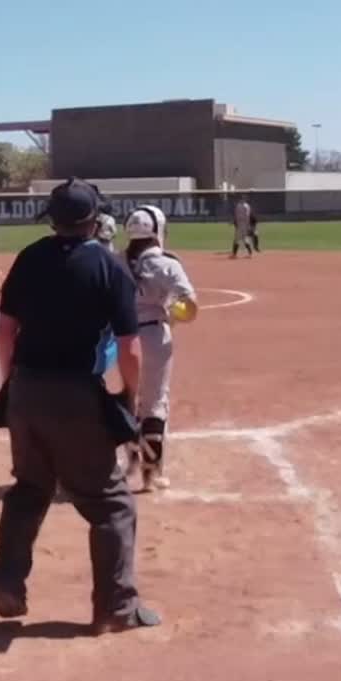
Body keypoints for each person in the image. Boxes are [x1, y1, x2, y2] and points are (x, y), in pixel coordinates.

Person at [0, 179, 160, 635]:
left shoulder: (29, 258)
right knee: (111, 505)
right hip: (75, 393)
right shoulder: (107, 266)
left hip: (25, 390)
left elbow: (4, 332)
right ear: (94, 219)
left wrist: (14, 383)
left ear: (53, 218)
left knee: (29, 489)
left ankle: (5, 581)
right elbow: (130, 347)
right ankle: (116, 608)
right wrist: (129, 397)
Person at [121, 205, 198, 492]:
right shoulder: (167, 264)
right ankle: (151, 474)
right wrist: (176, 314)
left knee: (130, 399)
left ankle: (129, 461)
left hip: (122, 337)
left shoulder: (118, 260)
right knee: (154, 403)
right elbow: (190, 305)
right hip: (153, 336)